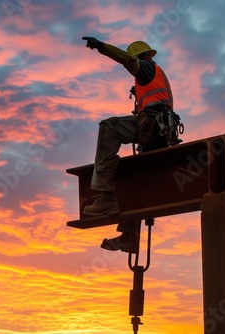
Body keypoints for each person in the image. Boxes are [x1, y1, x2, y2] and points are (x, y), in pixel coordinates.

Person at [81, 36, 179, 252]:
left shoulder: (146, 68)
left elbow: (127, 61)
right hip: (160, 133)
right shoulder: (157, 74)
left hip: (153, 126)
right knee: (138, 183)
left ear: (141, 57)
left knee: (109, 127)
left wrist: (102, 47)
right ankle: (128, 238)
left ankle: (107, 195)